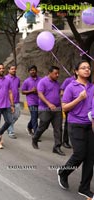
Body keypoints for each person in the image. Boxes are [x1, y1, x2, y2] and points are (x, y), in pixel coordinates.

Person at [57, 60, 94, 199]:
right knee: (79, 154)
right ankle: (63, 172)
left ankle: (84, 188)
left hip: (90, 125)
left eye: (88, 68)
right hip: (75, 124)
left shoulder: (92, 87)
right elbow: (64, 107)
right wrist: (79, 98)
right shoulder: (71, 87)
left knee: (90, 158)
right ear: (76, 71)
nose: (87, 70)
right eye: (83, 68)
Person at [32, 66, 65, 156]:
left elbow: (58, 93)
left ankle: (57, 147)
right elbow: (40, 94)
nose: (57, 75)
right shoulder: (42, 82)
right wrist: (49, 104)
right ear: (49, 72)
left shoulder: (57, 83)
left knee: (58, 128)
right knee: (43, 126)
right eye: (55, 73)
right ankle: (35, 138)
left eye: (58, 73)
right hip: (45, 109)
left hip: (57, 109)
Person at [21, 65, 41, 136]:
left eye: (34, 70)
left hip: (40, 101)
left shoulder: (41, 80)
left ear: (36, 71)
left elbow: (44, 89)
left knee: (34, 116)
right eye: (31, 70)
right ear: (29, 72)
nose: (32, 71)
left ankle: (29, 127)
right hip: (31, 102)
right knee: (34, 116)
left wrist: (38, 91)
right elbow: (23, 92)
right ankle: (36, 134)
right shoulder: (27, 81)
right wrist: (31, 91)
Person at [60, 74, 75, 149]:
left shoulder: (84, 81)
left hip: (78, 107)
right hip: (69, 106)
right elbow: (62, 92)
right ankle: (65, 141)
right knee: (68, 123)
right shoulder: (68, 80)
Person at [5, 65, 21, 139]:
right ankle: (11, 131)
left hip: (17, 100)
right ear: (8, 70)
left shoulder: (17, 79)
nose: (14, 70)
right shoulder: (5, 78)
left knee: (17, 115)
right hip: (8, 101)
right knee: (11, 116)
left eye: (14, 69)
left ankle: (8, 125)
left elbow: (17, 88)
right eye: (12, 69)